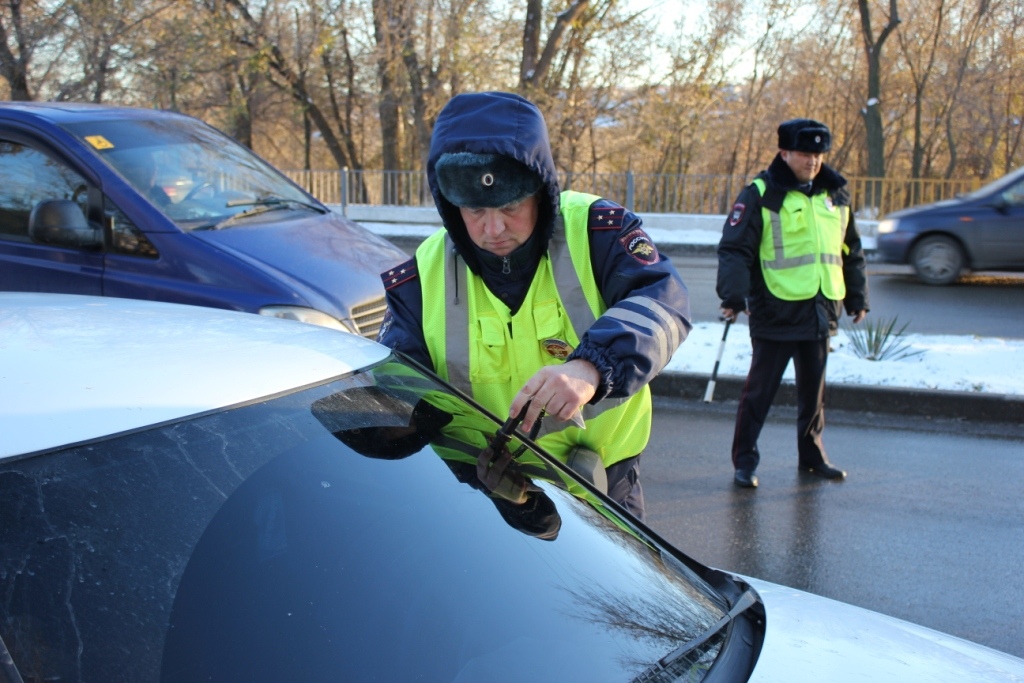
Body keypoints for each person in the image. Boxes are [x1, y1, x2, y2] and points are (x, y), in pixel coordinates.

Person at [377, 91, 692, 521]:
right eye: (473, 210)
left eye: (510, 206)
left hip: (606, 486)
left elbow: (664, 303)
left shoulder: (597, 229)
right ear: (451, 205)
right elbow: (401, 398)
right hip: (484, 497)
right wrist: (384, 428)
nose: (494, 228)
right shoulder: (421, 276)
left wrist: (591, 368)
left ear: (541, 193)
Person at [717, 118, 869, 489]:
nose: (812, 161)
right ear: (784, 152)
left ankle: (812, 457)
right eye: (804, 153)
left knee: (813, 396)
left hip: (820, 308)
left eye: (818, 154)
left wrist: (857, 297)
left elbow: (850, 249)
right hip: (775, 307)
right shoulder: (761, 192)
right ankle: (745, 462)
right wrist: (733, 297)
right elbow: (736, 248)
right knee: (759, 394)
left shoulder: (835, 193)